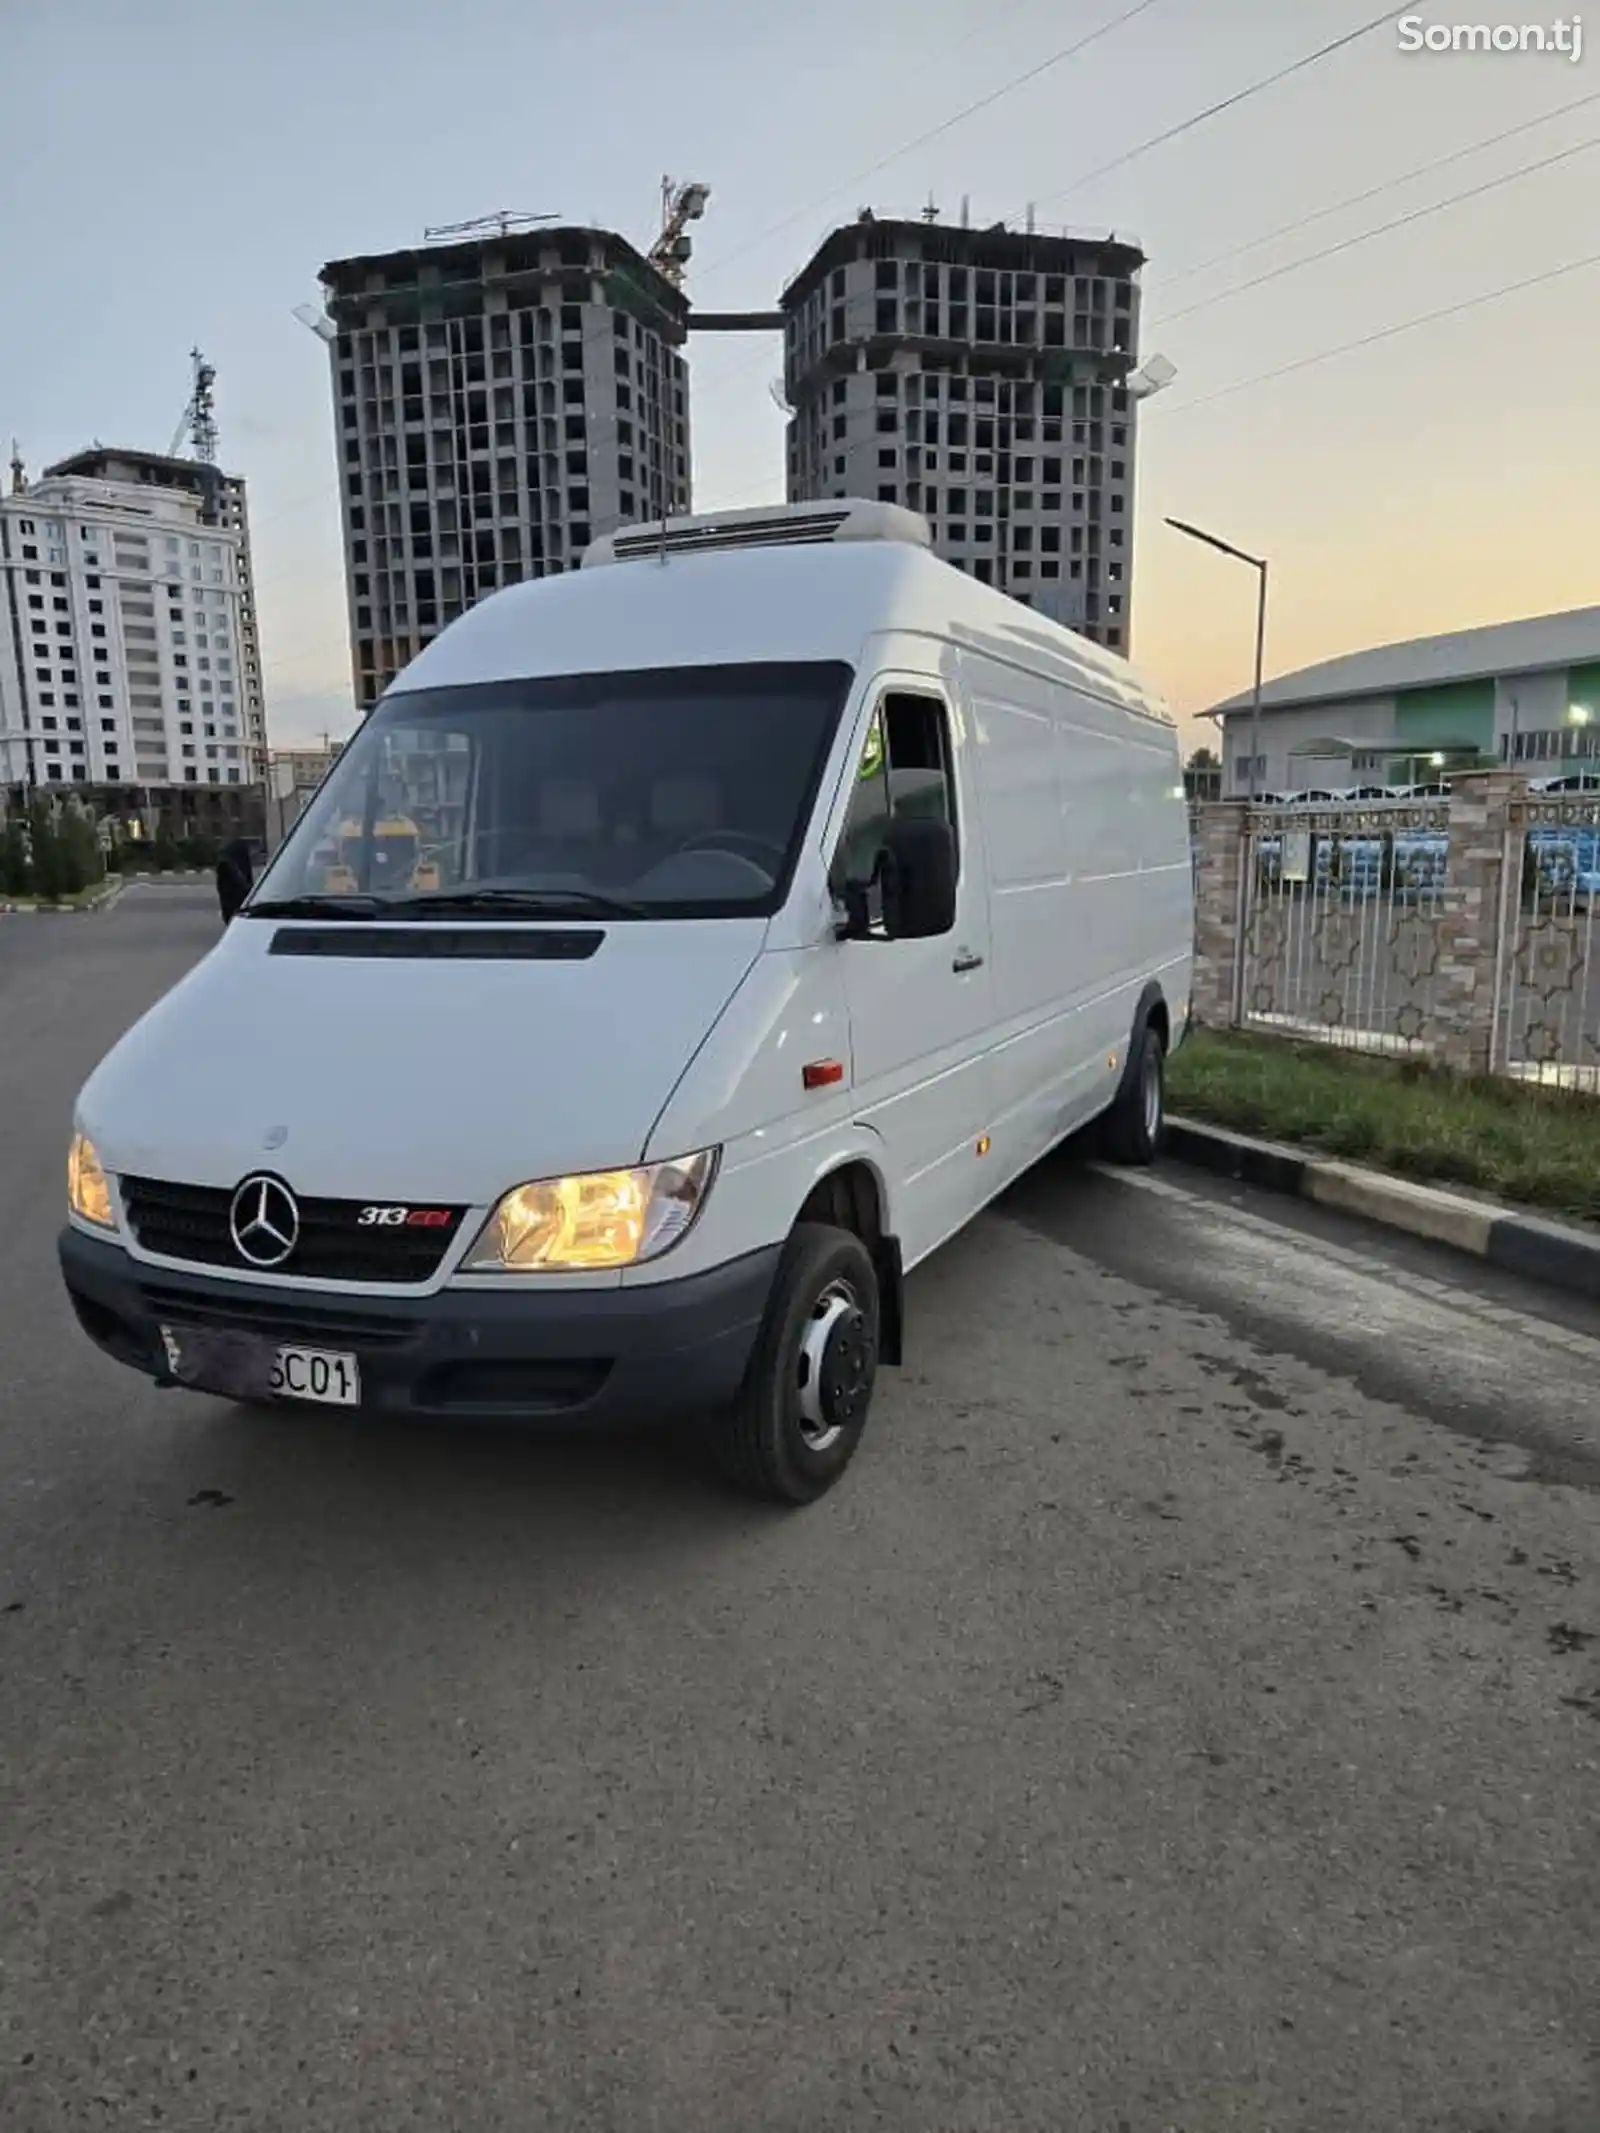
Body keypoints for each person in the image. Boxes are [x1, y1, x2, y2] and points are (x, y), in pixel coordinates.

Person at [216, 838, 254, 925]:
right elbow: (243, 883)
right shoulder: (229, 865)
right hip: (236, 905)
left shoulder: (226, 863)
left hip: (233, 905)